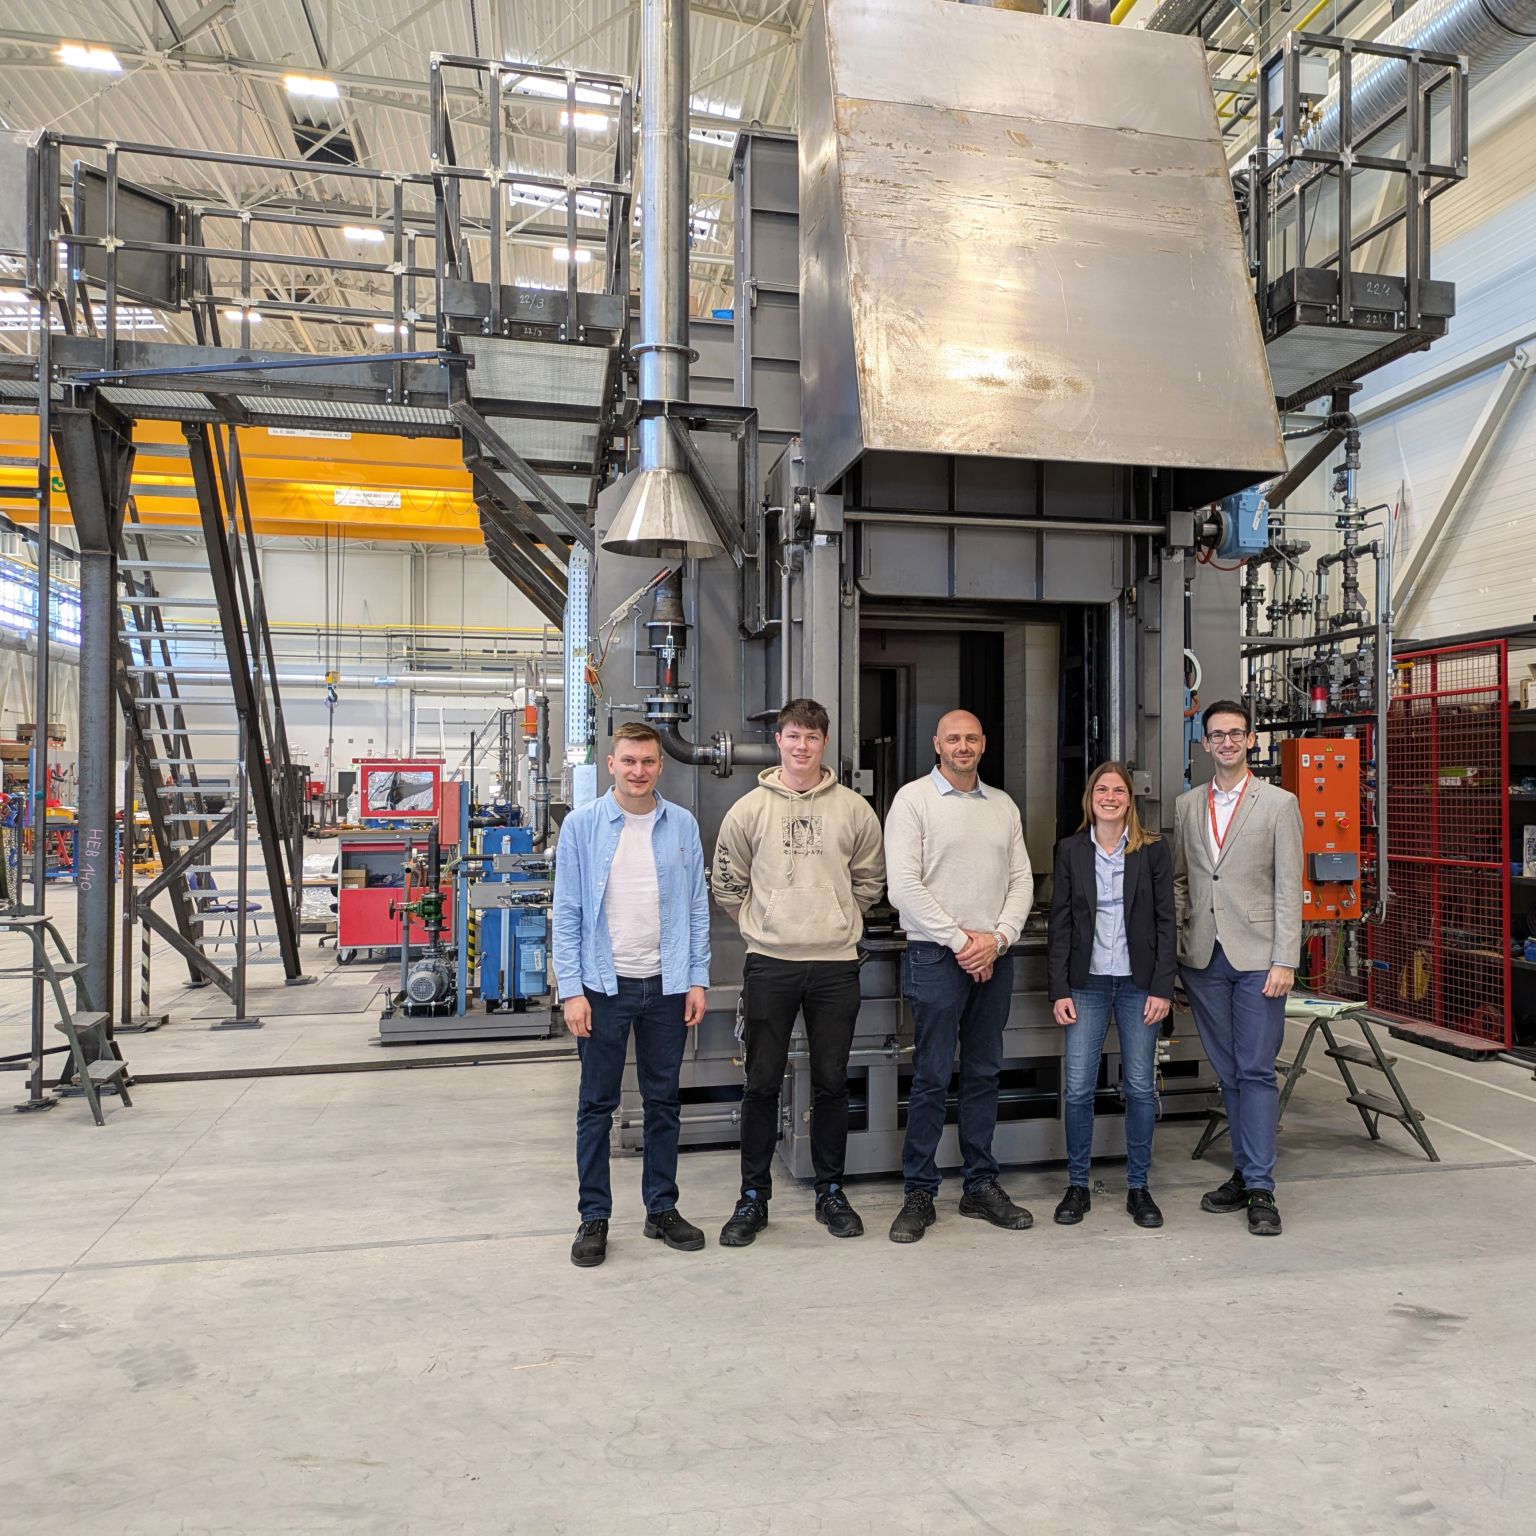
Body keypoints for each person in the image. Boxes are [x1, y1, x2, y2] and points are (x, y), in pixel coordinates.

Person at [710, 698, 885, 1245]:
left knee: (832, 1082)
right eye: (793, 736)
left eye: (812, 736)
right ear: (779, 742)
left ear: (824, 743)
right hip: (771, 964)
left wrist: (838, 919)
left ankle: (830, 1191)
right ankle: (752, 1197)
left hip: (835, 966)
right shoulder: (749, 810)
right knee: (761, 1083)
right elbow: (727, 884)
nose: (802, 745)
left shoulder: (854, 809)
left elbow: (870, 880)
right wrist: (764, 926)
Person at [552, 721, 711, 1269]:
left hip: (667, 986)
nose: (638, 771)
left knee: (663, 1102)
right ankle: (594, 1216)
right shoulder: (582, 826)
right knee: (596, 1105)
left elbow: (696, 906)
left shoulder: (682, 824)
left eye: (647, 761)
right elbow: (566, 912)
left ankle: (661, 1209)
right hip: (602, 987)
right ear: (611, 765)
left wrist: (696, 977)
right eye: (628, 761)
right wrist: (571, 990)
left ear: (660, 766)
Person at [883, 710, 1036, 1244]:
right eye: (954, 738)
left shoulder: (1003, 806)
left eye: (971, 738)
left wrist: (999, 939)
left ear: (984, 744)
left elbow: (1021, 880)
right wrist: (963, 942)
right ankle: (919, 1192)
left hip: (994, 956)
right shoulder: (913, 801)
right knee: (930, 1076)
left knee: (983, 1073)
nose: (963, 746)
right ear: (937, 744)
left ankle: (980, 1185)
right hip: (935, 956)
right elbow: (903, 887)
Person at [1173, 699, 1303, 1237]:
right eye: (1217, 735)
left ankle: (1262, 1188)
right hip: (1203, 960)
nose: (1226, 742)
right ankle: (1245, 1172)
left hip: (1258, 960)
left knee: (1255, 1070)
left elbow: (1289, 887)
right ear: (1204, 743)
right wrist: (1179, 945)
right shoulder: (1186, 806)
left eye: (1235, 733)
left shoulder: (1279, 804)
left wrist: (1285, 959)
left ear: (1250, 740)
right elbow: (1182, 881)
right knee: (1227, 1072)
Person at [1047, 761, 1175, 1230]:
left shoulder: (1153, 850)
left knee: (1139, 1087)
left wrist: (1162, 987)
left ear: (1129, 799)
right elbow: (1061, 923)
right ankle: (1077, 1185)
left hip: (1139, 985)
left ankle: (1139, 1187)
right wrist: (1059, 988)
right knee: (1078, 1088)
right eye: (1102, 789)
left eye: (1118, 790)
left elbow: (1166, 921)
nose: (1110, 797)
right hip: (1087, 985)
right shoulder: (1070, 850)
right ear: (1090, 798)